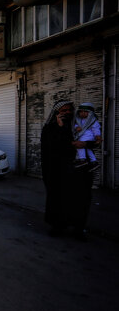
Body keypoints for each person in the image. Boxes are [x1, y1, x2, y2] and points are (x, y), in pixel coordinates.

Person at [41, 100, 96, 240]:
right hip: (58, 172)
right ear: (57, 112)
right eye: (63, 110)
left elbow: (93, 140)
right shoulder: (50, 128)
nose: (67, 113)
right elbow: (52, 148)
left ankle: (78, 229)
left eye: (69, 110)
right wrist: (60, 127)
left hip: (80, 172)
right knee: (58, 200)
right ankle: (58, 226)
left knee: (80, 200)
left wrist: (86, 143)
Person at [73, 102, 101, 172]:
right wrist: (76, 128)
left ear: (90, 113)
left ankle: (82, 159)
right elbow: (76, 125)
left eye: (85, 112)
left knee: (79, 145)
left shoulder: (93, 120)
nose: (83, 113)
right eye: (81, 112)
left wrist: (98, 136)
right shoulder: (79, 119)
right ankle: (94, 161)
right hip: (82, 135)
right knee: (88, 149)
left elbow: (96, 129)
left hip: (88, 136)